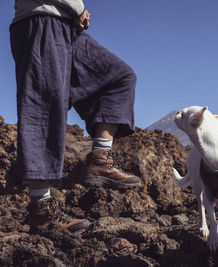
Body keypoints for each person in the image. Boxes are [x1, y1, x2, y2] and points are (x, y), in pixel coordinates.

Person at [10, 0, 141, 232]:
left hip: (66, 27)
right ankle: (41, 208)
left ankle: (101, 158)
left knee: (119, 76)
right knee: (44, 108)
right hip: (41, 22)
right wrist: (78, 8)